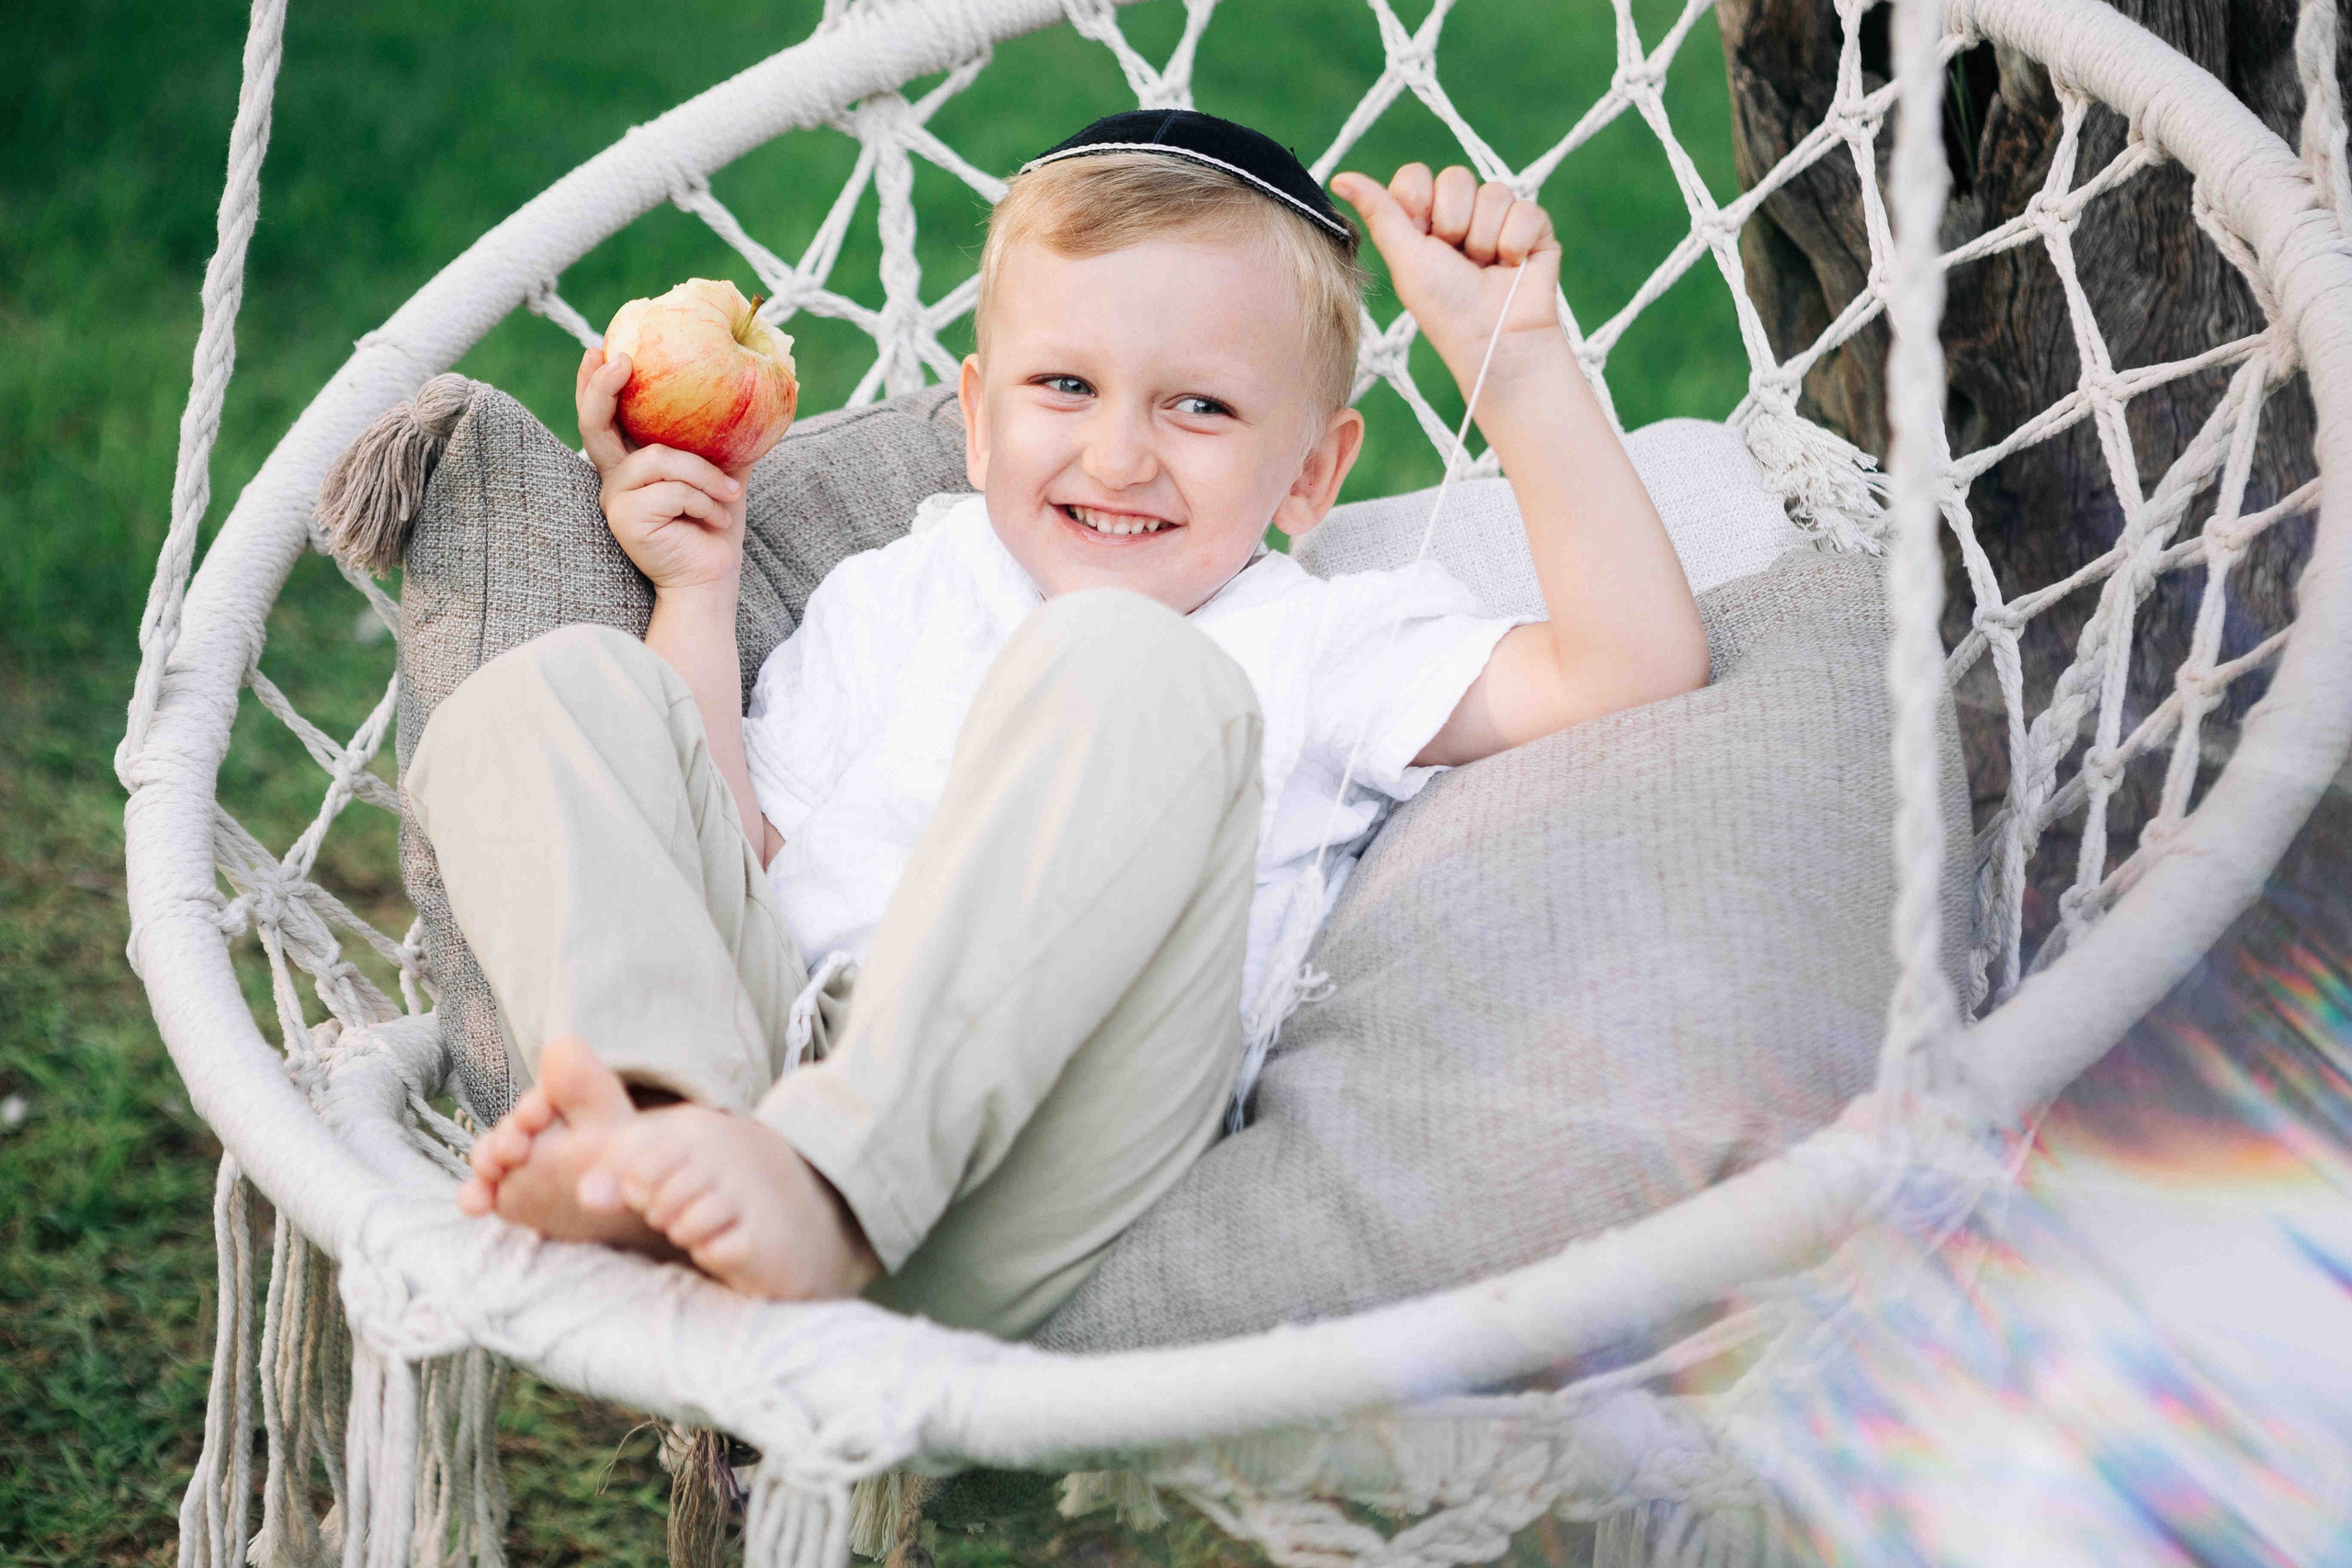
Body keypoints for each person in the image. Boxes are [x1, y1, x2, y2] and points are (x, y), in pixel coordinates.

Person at [431, 110, 1707, 1338]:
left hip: (1053, 1154)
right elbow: (740, 848)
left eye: (1198, 407)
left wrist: (1520, 359)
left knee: (1117, 661)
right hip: (768, 1078)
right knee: (552, 690)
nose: (1116, 456)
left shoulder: (1318, 641)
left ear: (1315, 473)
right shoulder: (908, 584)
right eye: (1065, 387)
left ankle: (825, 1189)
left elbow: (1626, 665)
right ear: (977, 421)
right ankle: (645, 1117)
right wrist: (699, 594)